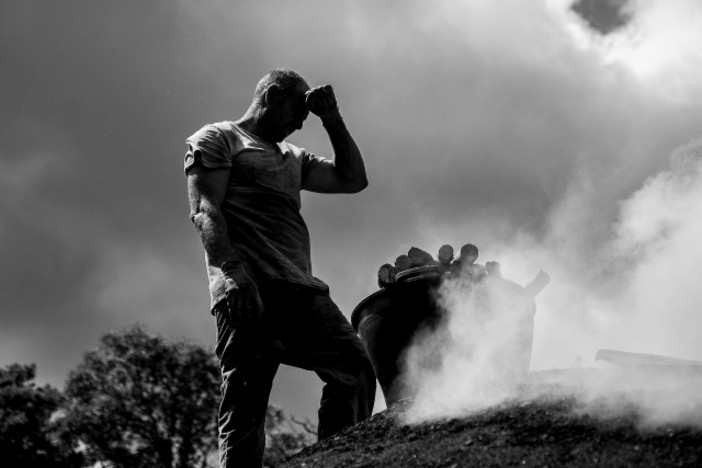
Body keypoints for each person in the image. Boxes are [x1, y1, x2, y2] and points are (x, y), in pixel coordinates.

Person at [184, 68, 376, 467]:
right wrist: (234, 275)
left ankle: (335, 461)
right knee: (247, 404)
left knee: (354, 370)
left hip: (301, 291)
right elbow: (205, 211)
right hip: (248, 289)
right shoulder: (219, 138)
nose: (299, 121)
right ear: (271, 95)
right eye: (296, 110)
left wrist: (332, 118)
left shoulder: (294, 158)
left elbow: (353, 179)